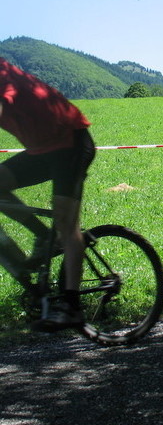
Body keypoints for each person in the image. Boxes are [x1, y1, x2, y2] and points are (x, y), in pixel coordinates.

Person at [0, 58, 95, 330]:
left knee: (67, 225)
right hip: (40, 149)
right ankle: (44, 236)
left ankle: (72, 307)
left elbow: (8, 98)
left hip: (71, 143)